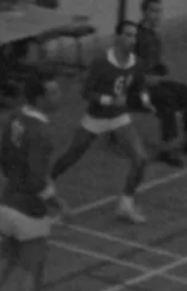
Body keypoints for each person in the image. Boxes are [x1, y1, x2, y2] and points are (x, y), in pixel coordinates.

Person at [50, 21, 153, 224]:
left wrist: (145, 100)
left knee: (140, 158)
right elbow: (86, 92)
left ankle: (126, 204)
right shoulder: (101, 62)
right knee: (72, 155)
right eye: (128, 35)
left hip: (119, 116)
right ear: (118, 37)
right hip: (96, 117)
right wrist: (108, 100)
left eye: (134, 36)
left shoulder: (136, 63)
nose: (132, 40)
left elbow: (140, 85)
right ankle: (42, 185)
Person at [0, 70, 68, 291]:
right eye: (53, 92)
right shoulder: (42, 133)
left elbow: (3, 157)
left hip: (7, 202)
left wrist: (15, 179)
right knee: (34, 271)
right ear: (40, 99)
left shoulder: (17, 116)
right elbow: (36, 180)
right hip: (28, 211)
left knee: (6, 261)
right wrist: (58, 203)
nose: (59, 95)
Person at [135, 0, 187, 167]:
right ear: (144, 12)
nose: (157, 15)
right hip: (139, 89)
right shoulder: (137, 37)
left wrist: (160, 69)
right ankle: (166, 150)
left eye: (159, 11)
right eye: (153, 11)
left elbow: (153, 63)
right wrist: (143, 78)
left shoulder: (154, 35)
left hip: (155, 82)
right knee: (167, 100)